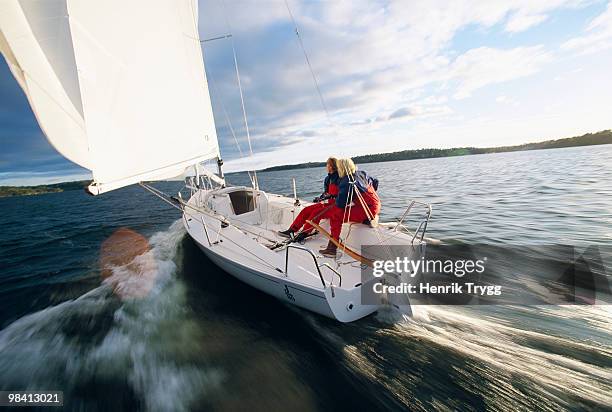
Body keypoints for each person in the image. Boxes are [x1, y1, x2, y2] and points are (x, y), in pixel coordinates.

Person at [319, 158, 381, 257]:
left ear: (341, 168)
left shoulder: (346, 181)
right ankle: (367, 219)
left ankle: (332, 248)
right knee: (347, 212)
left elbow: (341, 204)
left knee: (336, 216)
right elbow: (375, 182)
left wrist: (335, 197)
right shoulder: (361, 173)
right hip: (375, 204)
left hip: (367, 208)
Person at [278, 157, 339, 242]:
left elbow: (341, 194)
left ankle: (304, 233)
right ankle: (291, 230)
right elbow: (326, 193)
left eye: (327, 164)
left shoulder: (340, 178)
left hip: (336, 205)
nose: (326, 166)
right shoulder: (327, 179)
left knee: (315, 212)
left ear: (331, 166)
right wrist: (320, 198)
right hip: (328, 203)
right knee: (306, 210)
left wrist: (330, 196)